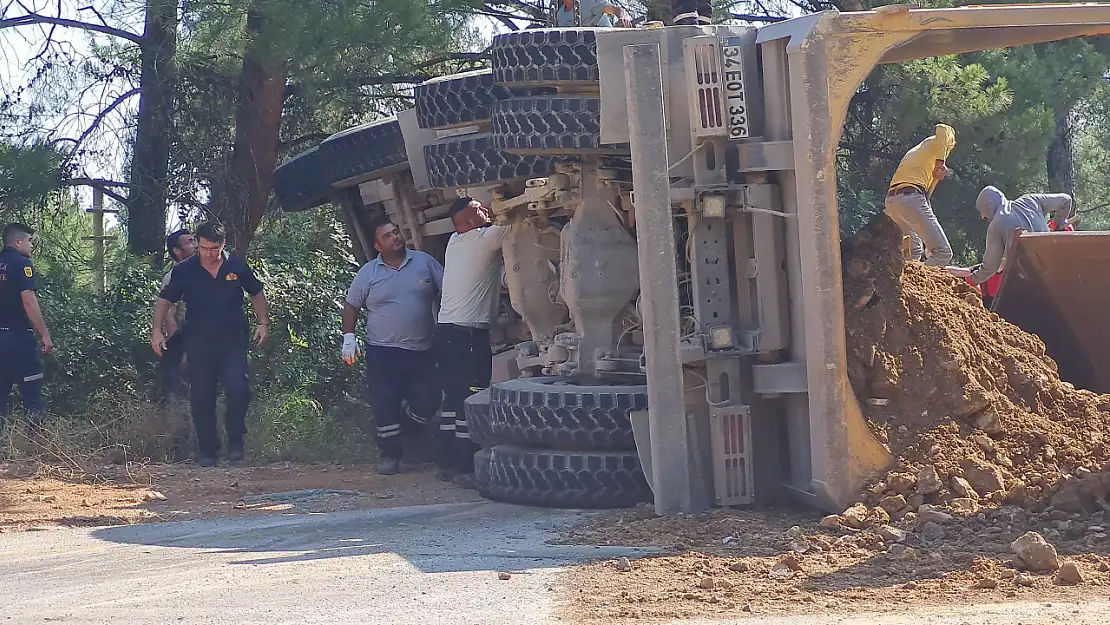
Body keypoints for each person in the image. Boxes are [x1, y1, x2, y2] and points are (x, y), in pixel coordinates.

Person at [151, 222, 269, 467]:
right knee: (202, 396)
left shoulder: (236, 266)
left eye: (213, 248)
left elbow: (256, 292)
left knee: (238, 389)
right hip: (199, 341)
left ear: (223, 245)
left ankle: (235, 442)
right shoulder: (185, 271)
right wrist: (156, 331)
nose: (208, 253)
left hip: (232, 340)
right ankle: (208, 451)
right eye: (203, 248)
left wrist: (263, 322)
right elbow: (165, 301)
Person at [341, 218, 444, 475]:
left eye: (396, 232)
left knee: (427, 402)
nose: (395, 237)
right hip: (383, 351)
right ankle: (390, 455)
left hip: (421, 349)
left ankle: (405, 431)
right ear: (378, 246)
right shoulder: (368, 273)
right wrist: (348, 338)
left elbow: (448, 291)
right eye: (387, 236)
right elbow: (351, 306)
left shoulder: (424, 263)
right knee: (385, 402)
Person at [434, 197, 512, 488]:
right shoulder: (481, 239)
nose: (486, 211)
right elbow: (513, 224)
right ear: (467, 222)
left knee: (454, 400)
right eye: (479, 209)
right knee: (471, 397)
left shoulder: (455, 241)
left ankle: (446, 462)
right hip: (466, 335)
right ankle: (467, 467)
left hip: (449, 332)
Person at [947, 186, 1074, 308]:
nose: (983, 217)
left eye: (982, 211)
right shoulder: (1030, 200)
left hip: (1027, 284)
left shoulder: (997, 224)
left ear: (989, 206)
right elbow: (1066, 200)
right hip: (1053, 271)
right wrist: (1058, 224)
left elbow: (991, 267)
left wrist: (970, 281)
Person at [0, 223, 53, 432]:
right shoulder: (23, 264)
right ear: (18, 241)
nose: (32, 245)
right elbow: (28, 301)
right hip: (19, 338)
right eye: (30, 240)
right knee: (31, 391)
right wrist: (45, 335)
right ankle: (35, 448)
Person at [884, 124, 957, 266]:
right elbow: (942, 128)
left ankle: (904, 283)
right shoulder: (937, 142)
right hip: (910, 197)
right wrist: (940, 163)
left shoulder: (919, 152)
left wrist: (929, 236)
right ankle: (916, 286)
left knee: (914, 251)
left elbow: (924, 200)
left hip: (893, 202)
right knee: (943, 252)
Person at [157, 229, 198, 400]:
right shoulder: (173, 277)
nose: (196, 245)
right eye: (189, 242)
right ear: (177, 251)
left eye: (195, 240)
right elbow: (169, 316)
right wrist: (181, 352)